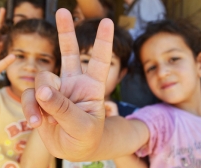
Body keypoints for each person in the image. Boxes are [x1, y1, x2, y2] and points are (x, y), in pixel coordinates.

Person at [21, 9, 201, 167]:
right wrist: (89, 139)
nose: (163, 72)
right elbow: (126, 133)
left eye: (174, 58)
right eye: (151, 67)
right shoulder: (156, 119)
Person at [20, 19, 139, 168]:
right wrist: (48, 112)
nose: (91, 68)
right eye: (84, 59)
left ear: (121, 74)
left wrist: (115, 123)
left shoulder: (133, 115)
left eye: (109, 63)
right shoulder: (55, 116)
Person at [0, 19, 60, 167]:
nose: (30, 67)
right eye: (20, 56)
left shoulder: (59, 110)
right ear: (4, 56)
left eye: (43, 59)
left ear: (56, 68)